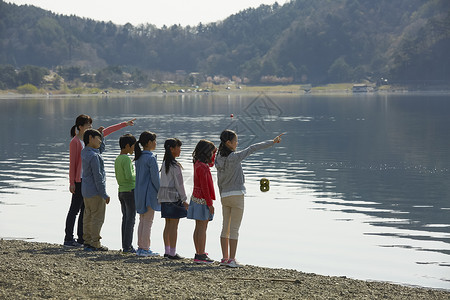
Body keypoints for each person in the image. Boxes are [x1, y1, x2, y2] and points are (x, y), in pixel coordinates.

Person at [215, 130, 283, 268]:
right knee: (234, 229)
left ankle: (224, 258)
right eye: (235, 141)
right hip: (237, 195)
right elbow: (252, 148)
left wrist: (221, 194)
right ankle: (232, 260)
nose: (237, 143)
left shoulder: (218, 159)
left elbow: (219, 181)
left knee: (225, 228)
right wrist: (272, 142)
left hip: (224, 196)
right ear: (229, 143)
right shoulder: (234, 157)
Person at [64, 114, 135, 247]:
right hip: (79, 180)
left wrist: (124, 124)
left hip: (86, 180)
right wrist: (71, 182)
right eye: (88, 125)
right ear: (80, 127)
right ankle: (68, 238)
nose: (91, 127)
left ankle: (82, 239)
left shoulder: (90, 140)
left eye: (91, 125)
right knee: (75, 210)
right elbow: (72, 163)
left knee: (86, 211)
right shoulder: (75, 142)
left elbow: (105, 132)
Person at [157, 138, 188, 260]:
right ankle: (173, 253)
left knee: (168, 224)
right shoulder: (175, 166)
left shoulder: (164, 163)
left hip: (164, 196)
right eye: (178, 147)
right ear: (172, 149)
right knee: (174, 225)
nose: (180, 150)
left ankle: (167, 251)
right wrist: (185, 199)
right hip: (173, 197)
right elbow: (179, 184)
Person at [187, 139, 217, 264]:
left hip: (195, 198)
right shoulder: (203, 167)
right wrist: (210, 204)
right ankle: (201, 254)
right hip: (203, 200)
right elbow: (205, 187)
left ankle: (199, 252)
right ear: (206, 152)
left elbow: (211, 164)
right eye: (211, 152)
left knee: (198, 227)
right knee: (202, 228)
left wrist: (215, 153)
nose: (212, 154)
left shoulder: (198, 163)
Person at [81, 129, 111, 251]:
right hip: (96, 191)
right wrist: (104, 194)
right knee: (97, 217)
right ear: (90, 139)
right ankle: (95, 243)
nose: (100, 141)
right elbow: (98, 177)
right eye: (98, 138)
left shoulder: (85, 152)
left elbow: (100, 148)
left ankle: (87, 241)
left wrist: (102, 136)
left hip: (86, 191)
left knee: (88, 216)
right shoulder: (94, 156)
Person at [134, 131, 161, 257]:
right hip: (149, 194)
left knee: (142, 220)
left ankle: (140, 247)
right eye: (154, 141)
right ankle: (145, 248)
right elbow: (156, 179)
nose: (156, 143)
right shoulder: (151, 158)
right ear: (149, 142)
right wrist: (161, 192)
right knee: (148, 221)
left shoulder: (139, 157)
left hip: (139, 193)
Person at [114, 134, 137, 254]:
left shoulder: (118, 158)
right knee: (131, 219)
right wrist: (138, 176)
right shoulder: (127, 159)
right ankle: (128, 246)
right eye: (133, 146)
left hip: (121, 191)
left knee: (125, 218)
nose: (134, 149)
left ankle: (125, 245)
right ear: (127, 146)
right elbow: (129, 176)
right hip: (130, 191)